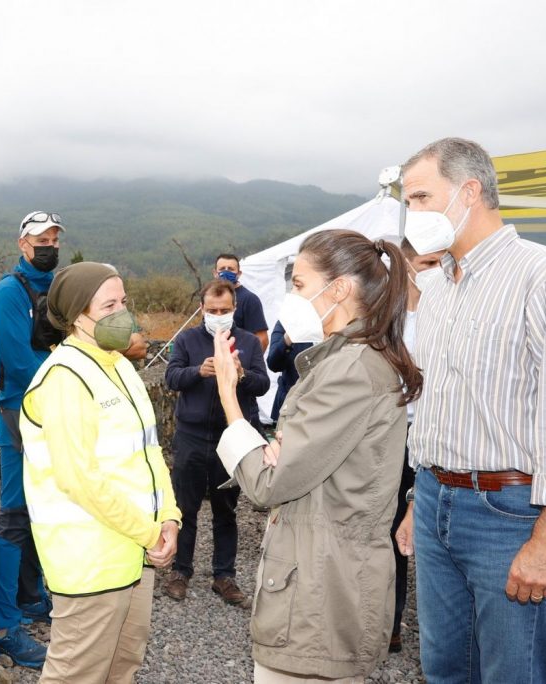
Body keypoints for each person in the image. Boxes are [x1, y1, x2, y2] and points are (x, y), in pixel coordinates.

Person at [395, 137, 546, 683]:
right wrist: (420, 496)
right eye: (406, 201)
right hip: (436, 500)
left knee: (513, 674)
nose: (410, 213)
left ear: (470, 191)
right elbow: (436, 405)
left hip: (509, 511)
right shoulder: (438, 289)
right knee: (444, 670)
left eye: (419, 197)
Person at [213, 229, 421, 682]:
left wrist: (230, 400)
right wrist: (272, 452)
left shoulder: (348, 370)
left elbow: (271, 483)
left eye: (300, 285)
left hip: (319, 595)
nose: (292, 297)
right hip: (322, 581)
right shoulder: (347, 359)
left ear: (340, 289)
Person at [20, 261, 182, 684]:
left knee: (122, 668)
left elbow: (149, 451)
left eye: (123, 302)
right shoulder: (65, 377)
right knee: (76, 674)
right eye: (109, 305)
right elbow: (79, 478)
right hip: (89, 562)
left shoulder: (119, 365)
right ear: (77, 316)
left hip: (133, 555)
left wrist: (170, 517)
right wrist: (150, 534)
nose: (122, 314)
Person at [0, 210, 63, 666]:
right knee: (14, 515)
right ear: (22, 243)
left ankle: (32, 597)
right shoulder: (9, 292)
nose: (48, 244)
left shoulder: (57, 287)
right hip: (20, 413)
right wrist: (71, 383)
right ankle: (4, 627)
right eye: (41, 238)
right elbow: (18, 362)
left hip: (51, 412)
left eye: (54, 237)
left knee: (39, 508)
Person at [162, 279, 269, 605]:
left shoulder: (249, 343)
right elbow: (171, 377)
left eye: (224, 311)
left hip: (230, 438)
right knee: (186, 507)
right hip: (192, 435)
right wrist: (198, 371)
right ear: (202, 309)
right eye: (212, 310)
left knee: (226, 510)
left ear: (235, 310)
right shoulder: (188, 339)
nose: (218, 315)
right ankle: (181, 571)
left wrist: (243, 375)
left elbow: (263, 385)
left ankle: (224, 576)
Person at [385, 239, 443, 654]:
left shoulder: (451, 313)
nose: (436, 269)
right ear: (406, 264)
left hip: (434, 434)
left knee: (418, 530)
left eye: (443, 262)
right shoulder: (384, 319)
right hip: (391, 433)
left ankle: (408, 622)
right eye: (428, 262)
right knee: (387, 528)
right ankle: (385, 618)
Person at [213, 253, 268, 350]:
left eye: (230, 269)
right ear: (215, 273)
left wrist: (249, 362)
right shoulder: (211, 298)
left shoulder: (249, 299)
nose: (226, 272)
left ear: (239, 274)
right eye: (222, 269)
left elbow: (262, 339)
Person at [264, 322, 311, 425]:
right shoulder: (287, 321)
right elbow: (273, 364)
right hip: (289, 403)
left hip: (320, 401)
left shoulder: (332, 321)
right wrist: (286, 340)